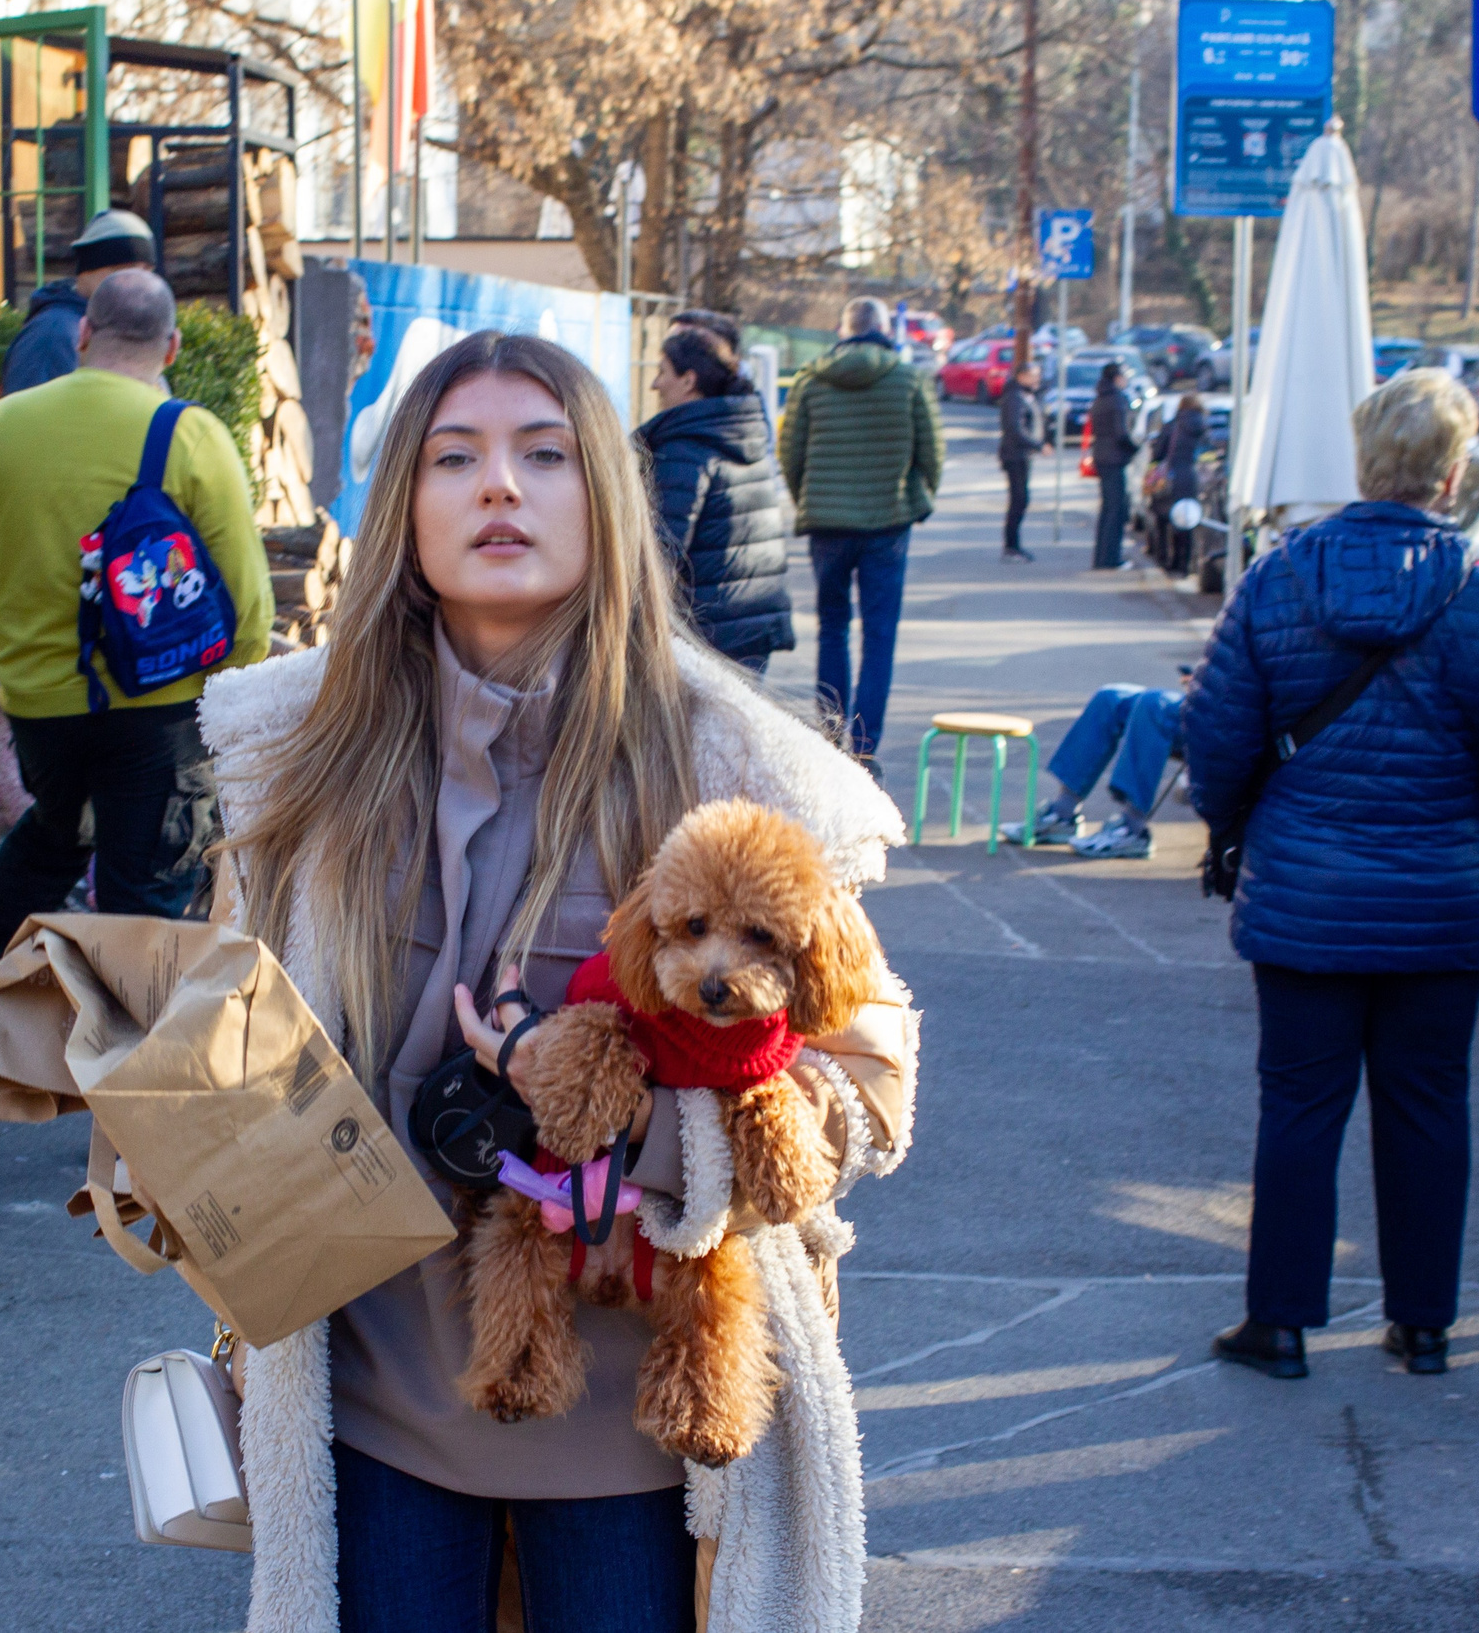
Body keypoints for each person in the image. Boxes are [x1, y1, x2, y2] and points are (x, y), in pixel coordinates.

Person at [197, 330, 917, 1631]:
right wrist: (176, 1121)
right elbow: (240, 1041)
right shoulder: (291, 753)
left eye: (543, 454)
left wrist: (644, 1128)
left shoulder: (728, 760)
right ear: (404, 499)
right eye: (454, 455)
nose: (498, 489)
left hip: (638, 1424)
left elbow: (866, 1078)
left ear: (606, 490)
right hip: (369, 1397)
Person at [1184, 369, 1479, 1380]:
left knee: (1300, 1106)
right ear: (1452, 477)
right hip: (1443, 899)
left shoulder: (1276, 580)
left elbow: (1216, 738)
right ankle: (1424, 1323)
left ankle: (1278, 1322)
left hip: (1305, 896)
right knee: (1430, 1104)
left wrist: (1233, 835)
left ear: (1363, 461)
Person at [0, 271, 273, 1033]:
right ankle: (136, 1046)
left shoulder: (1, 426)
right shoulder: (189, 432)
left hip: (42, 703)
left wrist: (11, 644)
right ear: (170, 344)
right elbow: (246, 594)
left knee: (57, 831)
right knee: (148, 881)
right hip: (161, 706)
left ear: (81, 334)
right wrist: (226, 698)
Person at [779, 295, 943, 771]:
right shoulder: (907, 379)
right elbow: (931, 450)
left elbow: (790, 451)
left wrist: (810, 498)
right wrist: (916, 499)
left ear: (842, 329)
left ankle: (831, 740)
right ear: (885, 329)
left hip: (827, 525)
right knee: (879, 633)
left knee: (832, 628)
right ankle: (865, 748)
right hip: (887, 523)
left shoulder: (811, 380)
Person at [635, 327, 795, 673]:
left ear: (688, 380)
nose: (655, 385)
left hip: (706, 636)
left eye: (662, 372)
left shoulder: (685, 448)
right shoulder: (742, 433)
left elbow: (658, 554)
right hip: (751, 623)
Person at [1002, 679, 1187, 859]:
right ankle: (1062, 814)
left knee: (1154, 704)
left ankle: (1131, 830)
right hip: (1201, 700)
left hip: (1212, 717)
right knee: (1111, 697)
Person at [0, 209, 157, 396]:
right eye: (123, 271)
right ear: (88, 270)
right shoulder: (54, 335)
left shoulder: (108, 325)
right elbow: (29, 419)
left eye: (147, 272)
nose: (138, 284)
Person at [1088, 362, 1140, 570]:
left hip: (1102, 455)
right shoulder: (1117, 399)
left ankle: (1102, 557)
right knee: (1115, 510)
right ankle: (1110, 558)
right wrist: (1133, 448)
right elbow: (1121, 433)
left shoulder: (1101, 397)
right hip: (1113, 458)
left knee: (1107, 509)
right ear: (1117, 378)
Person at [996, 361, 1049, 562]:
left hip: (1022, 455)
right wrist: (1038, 445)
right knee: (1019, 499)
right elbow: (1015, 428)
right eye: (1033, 375)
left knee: (1021, 499)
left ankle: (1013, 545)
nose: (1037, 379)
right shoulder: (1015, 397)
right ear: (1021, 376)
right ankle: (1011, 546)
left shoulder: (1026, 395)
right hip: (1015, 455)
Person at [1158, 393, 1208, 575]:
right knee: (1188, 518)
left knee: (1169, 519)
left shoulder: (1172, 425)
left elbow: (1159, 452)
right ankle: (1185, 563)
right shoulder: (1202, 425)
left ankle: (1170, 559)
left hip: (1173, 476)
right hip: (1192, 476)